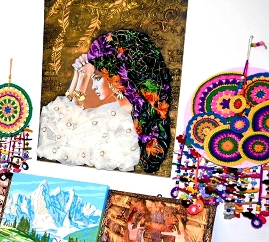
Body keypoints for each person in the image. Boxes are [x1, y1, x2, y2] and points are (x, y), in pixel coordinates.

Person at [38, 30, 172, 173]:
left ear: (116, 77)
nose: (93, 86)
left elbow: (67, 126)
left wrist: (83, 77)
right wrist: (78, 75)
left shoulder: (125, 115)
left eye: (97, 78)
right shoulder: (114, 108)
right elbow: (66, 111)